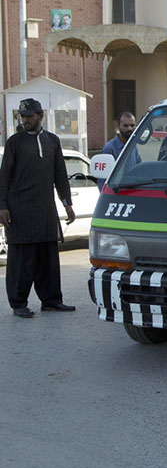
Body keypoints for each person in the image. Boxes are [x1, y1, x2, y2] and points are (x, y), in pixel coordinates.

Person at [0, 99, 76, 318]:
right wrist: (2, 206)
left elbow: (60, 174)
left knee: (48, 258)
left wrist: (67, 203)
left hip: (45, 210)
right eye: (23, 116)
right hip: (20, 211)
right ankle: (18, 303)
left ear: (41, 116)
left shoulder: (52, 140)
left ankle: (51, 301)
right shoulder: (15, 142)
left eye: (29, 116)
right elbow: (4, 176)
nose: (25, 120)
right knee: (22, 261)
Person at [97, 111, 140, 190]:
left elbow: (139, 171)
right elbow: (103, 180)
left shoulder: (133, 147)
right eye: (125, 126)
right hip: (116, 196)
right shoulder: (109, 148)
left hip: (132, 193)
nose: (129, 128)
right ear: (118, 126)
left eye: (132, 125)